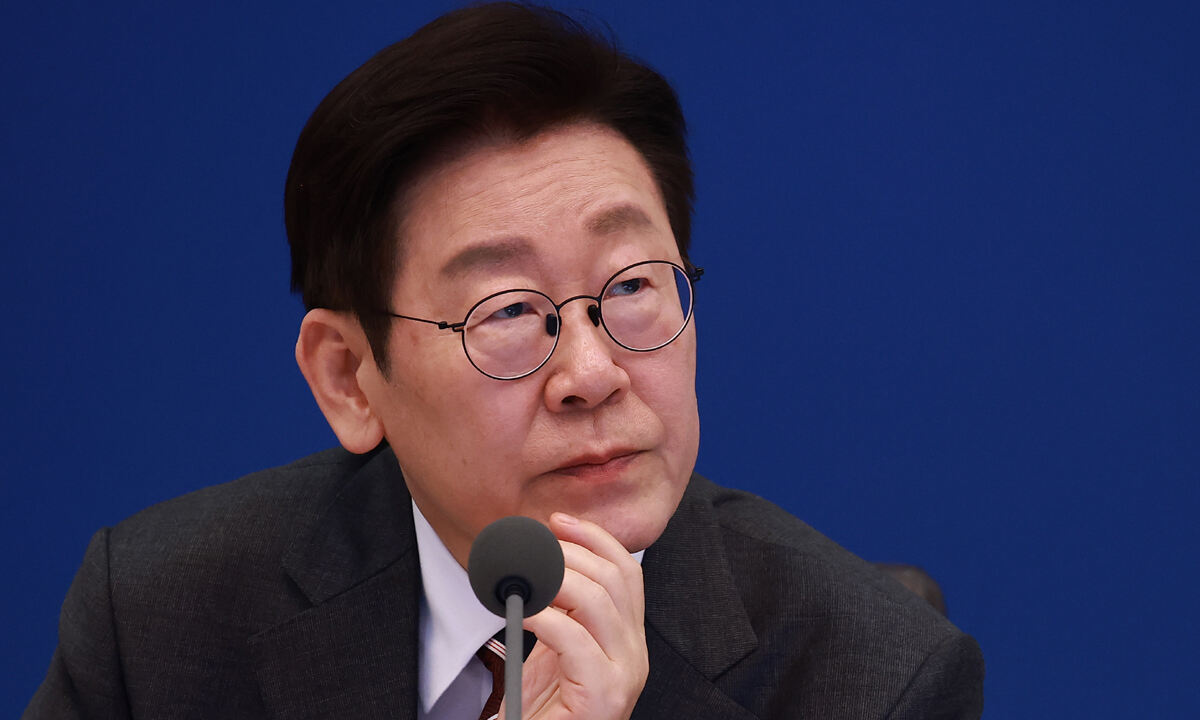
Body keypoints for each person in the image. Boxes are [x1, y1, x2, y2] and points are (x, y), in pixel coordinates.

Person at [26, 3, 984, 718]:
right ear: (349, 378)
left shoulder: (873, 681)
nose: (593, 373)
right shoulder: (160, 623)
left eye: (631, 286)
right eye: (511, 311)